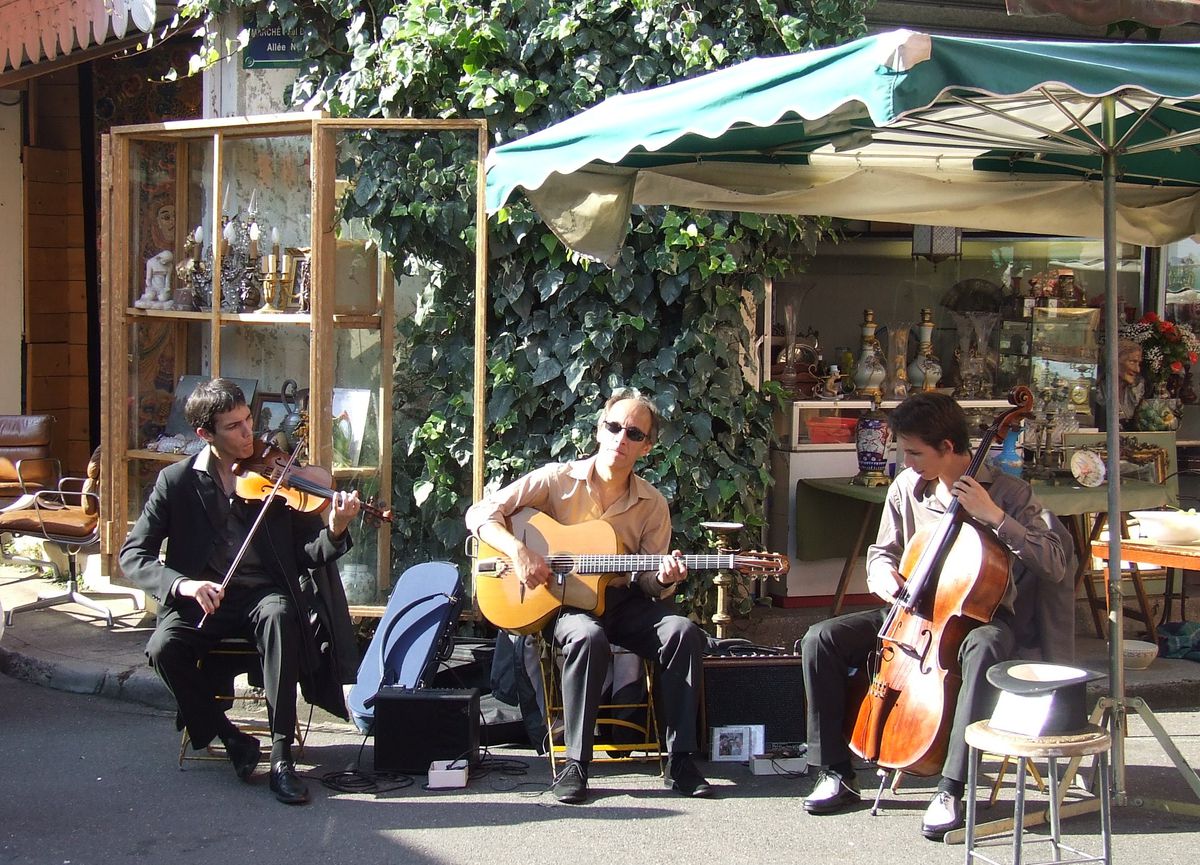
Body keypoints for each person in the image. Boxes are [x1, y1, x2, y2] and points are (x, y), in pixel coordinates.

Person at [799, 392, 1074, 839]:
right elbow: (881, 551)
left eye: (914, 453)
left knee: (983, 647)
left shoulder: (1010, 492)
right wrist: (882, 574)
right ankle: (833, 770)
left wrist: (994, 516)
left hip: (982, 620)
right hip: (912, 613)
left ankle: (952, 788)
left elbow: (1056, 563)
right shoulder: (906, 488)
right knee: (820, 639)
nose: (906, 462)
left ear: (948, 447)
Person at [121, 378, 361, 805]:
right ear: (204, 434)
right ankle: (231, 738)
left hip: (261, 596)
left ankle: (282, 757)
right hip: (202, 600)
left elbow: (309, 551)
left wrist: (336, 528)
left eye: (248, 420)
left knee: (281, 615)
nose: (249, 433)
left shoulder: (276, 476)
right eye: (233, 427)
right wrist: (184, 585)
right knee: (162, 649)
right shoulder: (175, 483)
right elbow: (133, 555)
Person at [465, 389, 712, 805]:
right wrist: (520, 551)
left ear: (647, 447)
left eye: (634, 433)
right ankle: (576, 764)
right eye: (614, 427)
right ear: (600, 430)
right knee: (586, 636)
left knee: (683, 632)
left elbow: (650, 583)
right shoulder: (556, 480)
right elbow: (480, 514)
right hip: (566, 604)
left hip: (624, 602)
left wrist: (666, 578)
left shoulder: (653, 504)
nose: (621, 438)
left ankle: (682, 760)